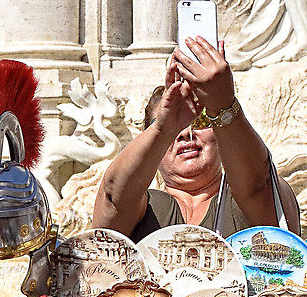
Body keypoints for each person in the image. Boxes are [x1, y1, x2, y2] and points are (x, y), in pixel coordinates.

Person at [90, 37, 296, 238]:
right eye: (173, 128)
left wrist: (222, 105)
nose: (185, 133)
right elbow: (113, 197)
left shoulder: (248, 199)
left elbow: (258, 185)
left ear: (220, 134)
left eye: (201, 122)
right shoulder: (144, 207)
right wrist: (163, 128)